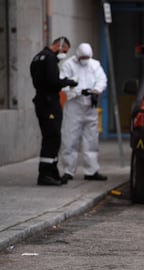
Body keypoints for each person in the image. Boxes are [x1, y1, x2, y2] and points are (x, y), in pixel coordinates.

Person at [30, 36, 78, 186]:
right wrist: (69, 82)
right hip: (49, 102)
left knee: (51, 136)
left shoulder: (37, 57)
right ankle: (45, 174)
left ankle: (52, 173)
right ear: (59, 45)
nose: (63, 54)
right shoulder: (49, 58)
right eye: (64, 50)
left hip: (42, 100)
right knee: (52, 137)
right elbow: (53, 81)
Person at [59, 43, 108, 184]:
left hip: (90, 106)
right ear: (78, 55)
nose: (85, 59)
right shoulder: (68, 65)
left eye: (88, 57)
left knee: (91, 140)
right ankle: (68, 170)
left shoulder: (94, 65)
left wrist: (96, 90)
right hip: (74, 105)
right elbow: (63, 83)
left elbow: (102, 80)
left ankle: (91, 171)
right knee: (70, 139)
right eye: (83, 57)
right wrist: (79, 91)